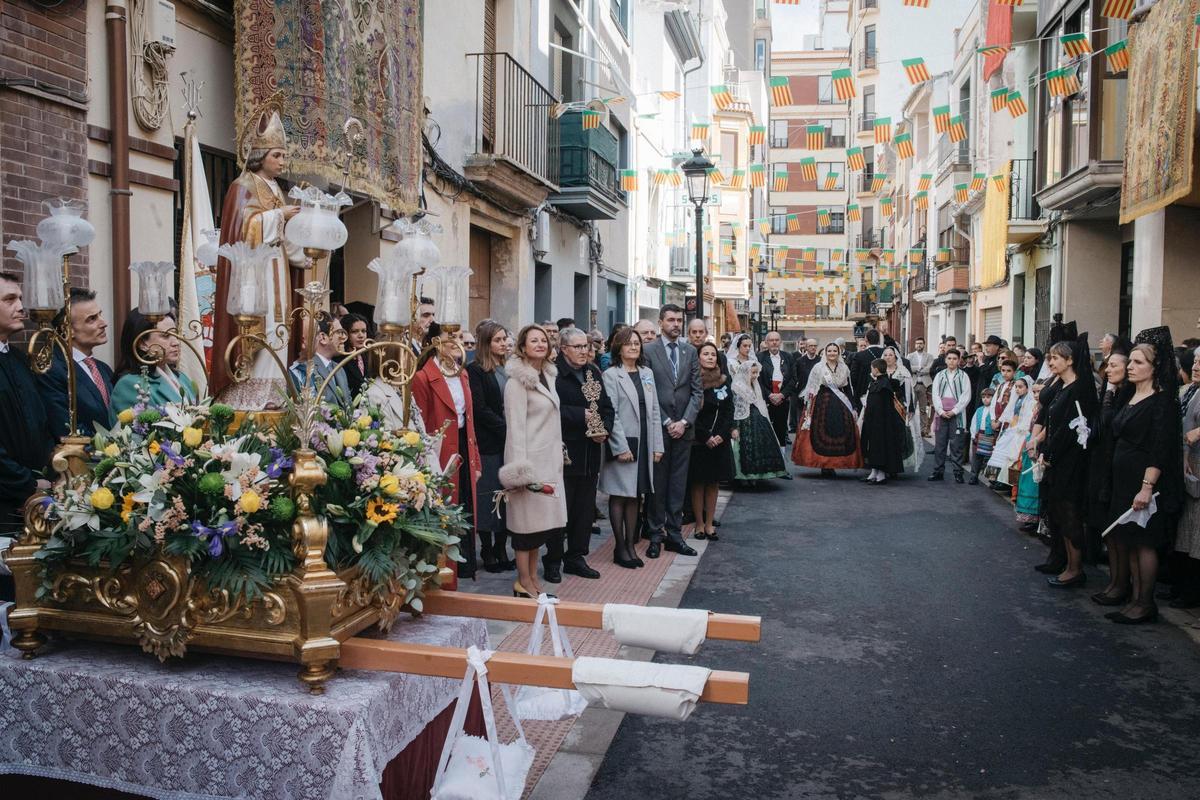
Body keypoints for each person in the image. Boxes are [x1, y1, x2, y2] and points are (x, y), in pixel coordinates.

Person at [211, 111, 308, 408]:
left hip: (277, 269)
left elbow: (282, 231)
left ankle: (274, 400)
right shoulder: (243, 187)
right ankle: (249, 402)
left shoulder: (277, 189)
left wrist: (306, 250)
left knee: (279, 330)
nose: (282, 161)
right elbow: (242, 229)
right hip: (254, 276)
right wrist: (279, 215)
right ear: (260, 155)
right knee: (261, 331)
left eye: (283, 155)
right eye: (277, 155)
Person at [1104, 331, 1182, 623]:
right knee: (1130, 541)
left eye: (1138, 362)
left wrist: (1147, 487)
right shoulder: (1131, 394)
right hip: (1123, 480)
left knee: (1144, 541)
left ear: (1154, 366)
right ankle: (1134, 599)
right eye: (1131, 361)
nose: (1131, 366)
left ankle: (1145, 602)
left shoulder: (1163, 402)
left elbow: (1160, 449)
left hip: (1144, 482)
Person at [411, 322, 482, 579]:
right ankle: (442, 567)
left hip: (462, 441)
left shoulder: (461, 373)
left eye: (459, 337)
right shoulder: (422, 377)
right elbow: (421, 421)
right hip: (438, 448)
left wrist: (475, 461)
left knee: (466, 503)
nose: (456, 342)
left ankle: (464, 564)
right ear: (434, 342)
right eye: (449, 337)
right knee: (446, 503)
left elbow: (469, 419)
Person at [499, 325, 566, 597]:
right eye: (533, 340)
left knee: (540, 527)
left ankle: (533, 581)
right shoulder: (517, 381)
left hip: (549, 460)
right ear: (523, 347)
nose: (540, 344)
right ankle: (523, 581)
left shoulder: (548, 375)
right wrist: (519, 469)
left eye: (544, 340)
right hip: (528, 461)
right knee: (524, 527)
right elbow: (515, 427)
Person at [0, 272, 54, 601]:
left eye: (20, 298)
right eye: (9, 300)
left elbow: (39, 422)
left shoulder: (19, 359)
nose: (21, 307)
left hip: (32, 496)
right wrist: (28, 483)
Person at [1034, 337, 1099, 588]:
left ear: (1070, 360)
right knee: (1058, 511)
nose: (1050, 362)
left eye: (1056, 358)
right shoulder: (1062, 385)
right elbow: (1051, 418)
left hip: (1070, 461)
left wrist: (1049, 454)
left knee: (1070, 512)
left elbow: (1069, 429)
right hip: (1056, 458)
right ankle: (1065, 561)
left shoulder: (1079, 388)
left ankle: (1075, 568)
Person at [550, 327, 614, 581]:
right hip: (564, 450)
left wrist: (604, 430)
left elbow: (607, 407)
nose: (583, 351)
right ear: (563, 349)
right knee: (560, 510)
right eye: (577, 347)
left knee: (584, 509)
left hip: (590, 452)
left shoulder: (592, 372)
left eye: (585, 346)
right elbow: (550, 409)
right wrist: (580, 416)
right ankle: (553, 559)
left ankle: (576, 556)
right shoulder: (553, 373)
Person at [600, 326, 664, 568]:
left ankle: (630, 544)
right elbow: (611, 413)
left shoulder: (646, 372)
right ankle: (620, 547)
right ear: (619, 347)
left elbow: (655, 410)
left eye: (637, 343)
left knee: (636, 494)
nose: (634, 347)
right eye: (629, 344)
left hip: (645, 440)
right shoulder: (611, 375)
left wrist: (658, 445)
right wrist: (620, 447)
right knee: (620, 494)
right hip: (624, 441)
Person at [641, 304, 701, 559]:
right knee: (658, 485)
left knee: (678, 485)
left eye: (679, 320)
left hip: (684, 430)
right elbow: (647, 391)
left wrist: (684, 422)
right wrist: (666, 421)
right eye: (671, 320)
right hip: (659, 428)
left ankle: (675, 535)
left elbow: (697, 392)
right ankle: (655, 535)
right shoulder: (648, 351)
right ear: (661, 322)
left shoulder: (690, 352)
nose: (676, 324)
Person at [466, 320, 515, 574]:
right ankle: (487, 548)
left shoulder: (510, 369)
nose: (503, 344)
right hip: (489, 442)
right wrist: (506, 428)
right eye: (497, 340)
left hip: (510, 443)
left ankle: (501, 547)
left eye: (505, 339)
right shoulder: (475, 370)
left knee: (507, 497)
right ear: (486, 343)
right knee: (489, 497)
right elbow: (480, 408)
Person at [38, 288, 114, 439]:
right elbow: (64, 427)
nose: (103, 323)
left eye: (100, 315)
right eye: (92, 319)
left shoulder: (103, 369)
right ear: (68, 330)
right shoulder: (53, 370)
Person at [1088, 346, 1132, 605]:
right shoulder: (1109, 391)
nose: (1109, 369)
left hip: (1121, 468)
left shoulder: (1126, 395)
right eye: (1108, 365)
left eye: (1116, 365)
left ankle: (1121, 585)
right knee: (1108, 529)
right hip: (1102, 464)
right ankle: (1114, 581)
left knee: (1119, 531)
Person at [794, 342, 862, 477]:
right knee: (820, 432)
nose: (832, 353)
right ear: (825, 353)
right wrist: (808, 408)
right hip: (822, 403)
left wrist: (853, 406)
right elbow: (811, 387)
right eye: (829, 351)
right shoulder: (818, 368)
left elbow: (848, 389)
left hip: (841, 404)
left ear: (839, 353)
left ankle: (836, 463)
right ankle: (824, 465)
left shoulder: (844, 368)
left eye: (834, 351)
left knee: (842, 433)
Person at [688, 342, 734, 539]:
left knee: (713, 483)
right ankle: (698, 524)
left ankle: (709, 524)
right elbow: (690, 412)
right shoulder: (692, 380)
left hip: (719, 440)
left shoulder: (724, 381)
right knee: (698, 483)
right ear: (698, 357)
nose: (709, 357)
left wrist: (721, 435)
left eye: (713, 354)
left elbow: (728, 411)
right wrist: (705, 436)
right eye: (705, 354)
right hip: (699, 440)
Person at [727, 334, 788, 482]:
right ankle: (739, 474)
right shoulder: (731, 362)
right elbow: (731, 383)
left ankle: (757, 473)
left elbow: (757, 383)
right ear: (738, 346)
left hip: (754, 402)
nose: (747, 349)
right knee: (739, 437)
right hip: (738, 401)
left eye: (749, 346)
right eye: (744, 346)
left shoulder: (753, 361)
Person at [111, 310, 199, 412]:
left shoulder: (182, 377)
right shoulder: (131, 385)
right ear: (142, 344)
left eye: (175, 334)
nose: (176, 342)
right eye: (166, 336)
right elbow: (140, 427)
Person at [1172, 354, 1200, 608]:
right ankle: (1181, 587)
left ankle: (1191, 592)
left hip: (1197, 467)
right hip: (1187, 468)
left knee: (1196, 536)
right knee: (1185, 532)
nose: (1196, 366)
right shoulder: (1190, 390)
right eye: (1196, 361)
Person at [289, 315, 351, 409]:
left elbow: (348, 405)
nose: (343, 337)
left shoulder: (339, 369)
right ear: (323, 338)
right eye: (339, 332)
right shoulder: (306, 367)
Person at [860, 358, 906, 484]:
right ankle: (874, 472)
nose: (871, 370)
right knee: (873, 447)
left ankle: (881, 475)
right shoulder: (877, 383)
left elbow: (885, 406)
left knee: (880, 447)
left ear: (875, 369)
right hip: (873, 421)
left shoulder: (885, 384)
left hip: (882, 423)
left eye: (871, 368)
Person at [929, 348, 971, 483]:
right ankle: (938, 471)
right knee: (940, 444)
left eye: (954, 359)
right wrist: (940, 411)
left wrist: (955, 410)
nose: (952, 361)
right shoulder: (940, 375)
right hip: (941, 412)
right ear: (945, 360)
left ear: (959, 360)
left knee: (956, 444)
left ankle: (958, 472)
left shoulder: (963, 376)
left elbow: (966, 396)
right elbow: (935, 394)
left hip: (956, 413)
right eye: (949, 358)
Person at [988, 375, 1035, 492]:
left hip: (1021, 431)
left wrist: (1019, 428)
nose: (1018, 389)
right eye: (1016, 387)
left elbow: (1027, 417)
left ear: (1027, 387)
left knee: (1012, 456)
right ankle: (1001, 480)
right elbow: (1009, 412)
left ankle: (1010, 484)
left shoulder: (1030, 401)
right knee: (1003, 451)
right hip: (1013, 427)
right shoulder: (1017, 399)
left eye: (1020, 387)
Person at [882, 346, 923, 474]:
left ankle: (895, 466)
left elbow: (909, 392)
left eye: (890, 355)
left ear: (896, 357)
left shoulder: (903, 372)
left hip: (897, 408)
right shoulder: (879, 370)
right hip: (882, 408)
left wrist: (910, 408)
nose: (888, 357)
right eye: (886, 355)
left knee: (897, 436)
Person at [758, 331, 795, 462]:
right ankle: (766, 461)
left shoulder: (788, 357)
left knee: (781, 429)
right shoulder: (759, 358)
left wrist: (782, 395)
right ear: (766, 342)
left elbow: (793, 379)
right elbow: (757, 381)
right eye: (771, 340)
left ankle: (782, 462)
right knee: (765, 429)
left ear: (780, 342)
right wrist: (769, 395)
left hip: (782, 399)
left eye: (777, 340)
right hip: (765, 399)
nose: (774, 342)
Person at [967, 387, 997, 485]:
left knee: (990, 457)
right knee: (976, 457)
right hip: (979, 435)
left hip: (990, 436)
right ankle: (973, 476)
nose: (985, 399)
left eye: (988, 397)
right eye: (983, 397)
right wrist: (973, 435)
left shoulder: (995, 410)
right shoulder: (979, 410)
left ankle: (991, 478)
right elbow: (974, 423)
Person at [339, 312, 372, 399]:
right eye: (354, 331)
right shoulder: (340, 360)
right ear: (345, 334)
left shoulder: (368, 356)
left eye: (363, 331)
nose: (361, 335)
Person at [791, 338, 820, 432]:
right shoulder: (799, 361)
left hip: (817, 394)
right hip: (802, 396)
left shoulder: (820, 361)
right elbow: (796, 377)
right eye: (811, 346)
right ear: (806, 347)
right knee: (802, 420)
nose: (813, 348)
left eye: (815, 346)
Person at [849, 329, 886, 404]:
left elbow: (853, 377)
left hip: (863, 392)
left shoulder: (859, 355)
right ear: (879, 339)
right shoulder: (886, 353)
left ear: (866, 339)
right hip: (884, 390)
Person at [907, 337, 934, 438]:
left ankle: (924, 430)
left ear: (924, 344)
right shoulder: (910, 356)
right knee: (911, 409)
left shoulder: (929, 356)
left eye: (921, 343)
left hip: (924, 385)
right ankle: (911, 429)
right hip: (913, 385)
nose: (919, 345)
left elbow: (929, 369)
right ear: (915, 345)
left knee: (923, 409)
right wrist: (919, 368)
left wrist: (917, 370)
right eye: (917, 343)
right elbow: (909, 367)